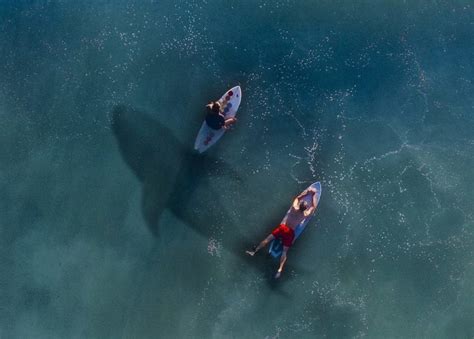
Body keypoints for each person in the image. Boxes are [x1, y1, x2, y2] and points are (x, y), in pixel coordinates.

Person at [245, 187, 319, 278]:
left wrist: (307, 193)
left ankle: (254, 251)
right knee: (284, 251)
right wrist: (313, 195)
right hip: (290, 232)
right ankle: (279, 270)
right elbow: (313, 207)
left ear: (299, 205)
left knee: (267, 240)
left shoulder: (293, 208)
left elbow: (297, 198)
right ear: (305, 208)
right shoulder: (305, 214)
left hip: (283, 228)